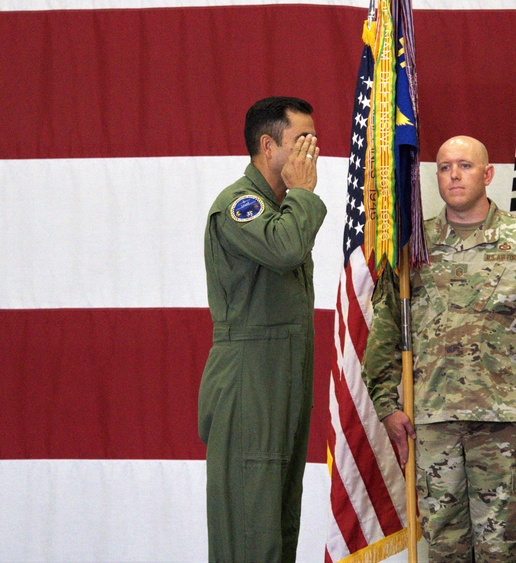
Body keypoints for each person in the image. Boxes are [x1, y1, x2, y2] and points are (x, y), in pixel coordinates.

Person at [362, 135, 516, 562]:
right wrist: (388, 407)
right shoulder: (413, 249)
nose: (454, 175)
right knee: (444, 547)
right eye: (445, 167)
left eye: (464, 166)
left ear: (487, 174)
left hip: (502, 424)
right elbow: (385, 335)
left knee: (499, 547)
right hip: (432, 421)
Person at [197, 96, 325, 562]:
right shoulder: (240, 205)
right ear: (268, 145)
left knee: (276, 530)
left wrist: (297, 201)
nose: (312, 151)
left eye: (315, 140)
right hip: (249, 388)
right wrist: (305, 195)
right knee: (250, 534)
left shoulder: (279, 208)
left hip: (278, 386)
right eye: (301, 141)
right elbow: (286, 248)